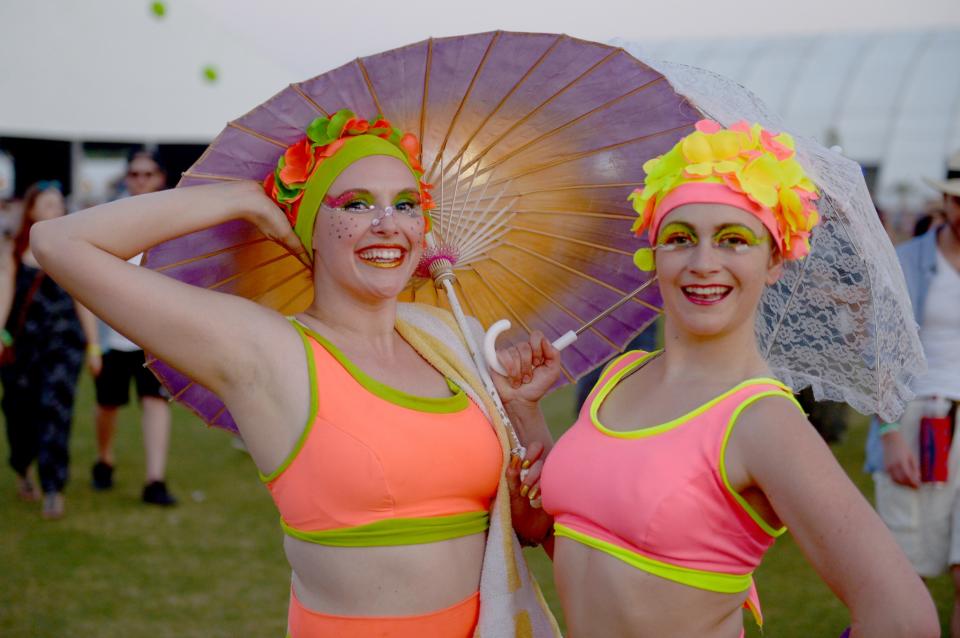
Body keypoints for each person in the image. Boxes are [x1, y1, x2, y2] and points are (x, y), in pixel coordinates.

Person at [30, 111, 559, 637]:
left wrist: (523, 412)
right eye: (356, 204)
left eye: (406, 204)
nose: (387, 224)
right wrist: (238, 199)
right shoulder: (268, 353)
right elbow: (59, 242)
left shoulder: (451, 340)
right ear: (306, 226)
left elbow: (534, 522)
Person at [496, 121, 939, 637]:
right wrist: (525, 412)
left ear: (774, 259)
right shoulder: (621, 374)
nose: (704, 263)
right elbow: (592, 542)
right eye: (681, 239)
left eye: (733, 240)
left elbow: (904, 619)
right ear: (654, 253)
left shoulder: (763, 422)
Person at [866, 168, 960, 636]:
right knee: (905, 573)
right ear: (948, 204)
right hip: (918, 417)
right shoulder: (906, 261)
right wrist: (888, 433)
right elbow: (880, 349)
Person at [1, 181, 100, 519]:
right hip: (23, 348)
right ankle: (23, 466)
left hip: (63, 346)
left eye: (58, 204)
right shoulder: (14, 249)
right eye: (46, 204)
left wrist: (94, 345)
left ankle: (54, 487)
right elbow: (5, 294)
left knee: (56, 410)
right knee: (20, 413)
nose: (54, 210)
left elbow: (83, 298)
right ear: (31, 210)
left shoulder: (69, 251)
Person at [90, 149, 176, 505]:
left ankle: (154, 480)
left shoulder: (173, 219)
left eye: (148, 174)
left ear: (160, 178)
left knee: (155, 401)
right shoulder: (106, 217)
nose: (140, 180)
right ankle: (104, 458)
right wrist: (93, 342)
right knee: (108, 405)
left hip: (154, 334)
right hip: (113, 333)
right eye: (135, 174)